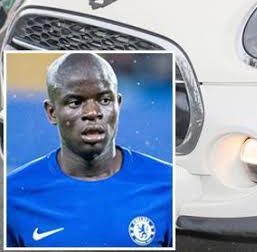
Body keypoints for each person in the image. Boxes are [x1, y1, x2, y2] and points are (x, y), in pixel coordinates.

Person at [6, 53, 173, 248]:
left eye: (105, 100)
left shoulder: (167, 185)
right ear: (52, 112)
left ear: (118, 105)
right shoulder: (13, 194)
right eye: (75, 102)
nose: (92, 113)